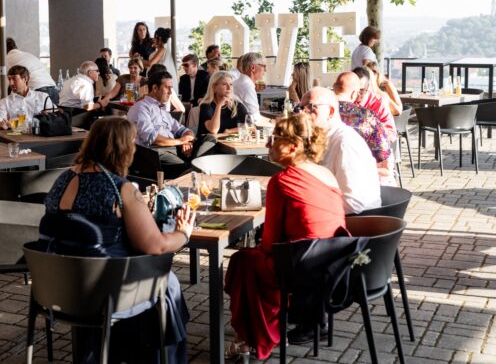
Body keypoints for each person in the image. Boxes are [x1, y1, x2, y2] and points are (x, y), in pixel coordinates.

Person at [39, 117, 193, 363]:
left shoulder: (62, 179)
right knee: (167, 281)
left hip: (58, 289)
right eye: (132, 142)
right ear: (122, 148)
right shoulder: (121, 190)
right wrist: (183, 233)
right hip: (103, 294)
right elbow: (155, 245)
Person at [224, 113, 347, 360]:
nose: (268, 143)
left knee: (243, 262)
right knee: (251, 260)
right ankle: (257, 333)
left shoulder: (282, 181)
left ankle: (250, 339)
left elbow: (270, 244)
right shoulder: (326, 175)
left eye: (275, 138)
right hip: (335, 263)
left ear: (295, 146)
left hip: (304, 266)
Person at [300, 87, 381, 214]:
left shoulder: (346, 143)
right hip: (334, 217)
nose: (302, 114)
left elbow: (354, 204)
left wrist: (307, 203)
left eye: (310, 107)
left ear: (331, 112)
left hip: (355, 224)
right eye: (301, 108)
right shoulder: (322, 139)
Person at [128, 70, 195, 177]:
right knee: (190, 171)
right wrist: (180, 141)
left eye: (171, 88)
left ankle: (196, 168)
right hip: (154, 154)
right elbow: (151, 138)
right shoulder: (141, 108)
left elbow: (183, 130)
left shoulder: (162, 109)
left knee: (209, 141)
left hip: (174, 148)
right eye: (167, 87)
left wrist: (187, 140)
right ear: (155, 88)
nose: (170, 92)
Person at [332, 72, 394, 184]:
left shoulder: (312, 110)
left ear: (334, 87)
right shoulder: (366, 117)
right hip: (355, 182)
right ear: (354, 94)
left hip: (316, 182)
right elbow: (385, 164)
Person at [5, 38, 59, 104]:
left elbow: (2, 85)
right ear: (16, 46)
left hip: (38, 91)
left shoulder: (7, 59)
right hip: (53, 89)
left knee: (32, 113)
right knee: (53, 113)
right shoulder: (29, 55)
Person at [353, 66, 398, 142]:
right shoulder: (344, 98)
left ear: (368, 88)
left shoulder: (378, 102)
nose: (357, 93)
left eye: (361, 90)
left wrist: (374, 125)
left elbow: (392, 134)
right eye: (354, 88)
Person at [197, 71, 248, 137]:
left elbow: (250, 126)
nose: (229, 88)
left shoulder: (237, 105)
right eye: (224, 84)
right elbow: (213, 129)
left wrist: (229, 131)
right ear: (214, 87)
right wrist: (219, 106)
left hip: (231, 143)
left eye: (231, 84)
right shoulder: (207, 105)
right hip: (211, 144)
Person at [233, 52, 267, 122]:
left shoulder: (237, 82)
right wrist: (272, 121)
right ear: (253, 67)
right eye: (264, 66)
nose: (265, 70)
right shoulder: (247, 86)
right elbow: (254, 118)